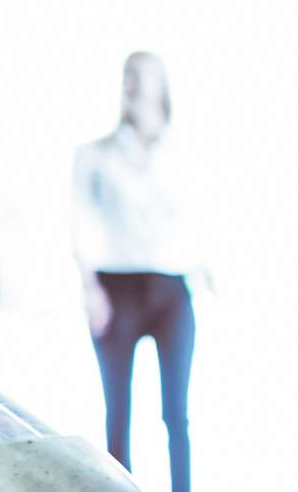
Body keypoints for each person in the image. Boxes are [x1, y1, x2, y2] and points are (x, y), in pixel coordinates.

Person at [76, 51, 197, 492]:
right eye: (126, 77)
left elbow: (200, 218)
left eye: (139, 78)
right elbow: (81, 223)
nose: (130, 86)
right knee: (118, 409)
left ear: (160, 86)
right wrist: (90, 290)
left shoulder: (182, 152)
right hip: (116, 287)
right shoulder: (95, 153)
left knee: (176, 413)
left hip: (171, 287)